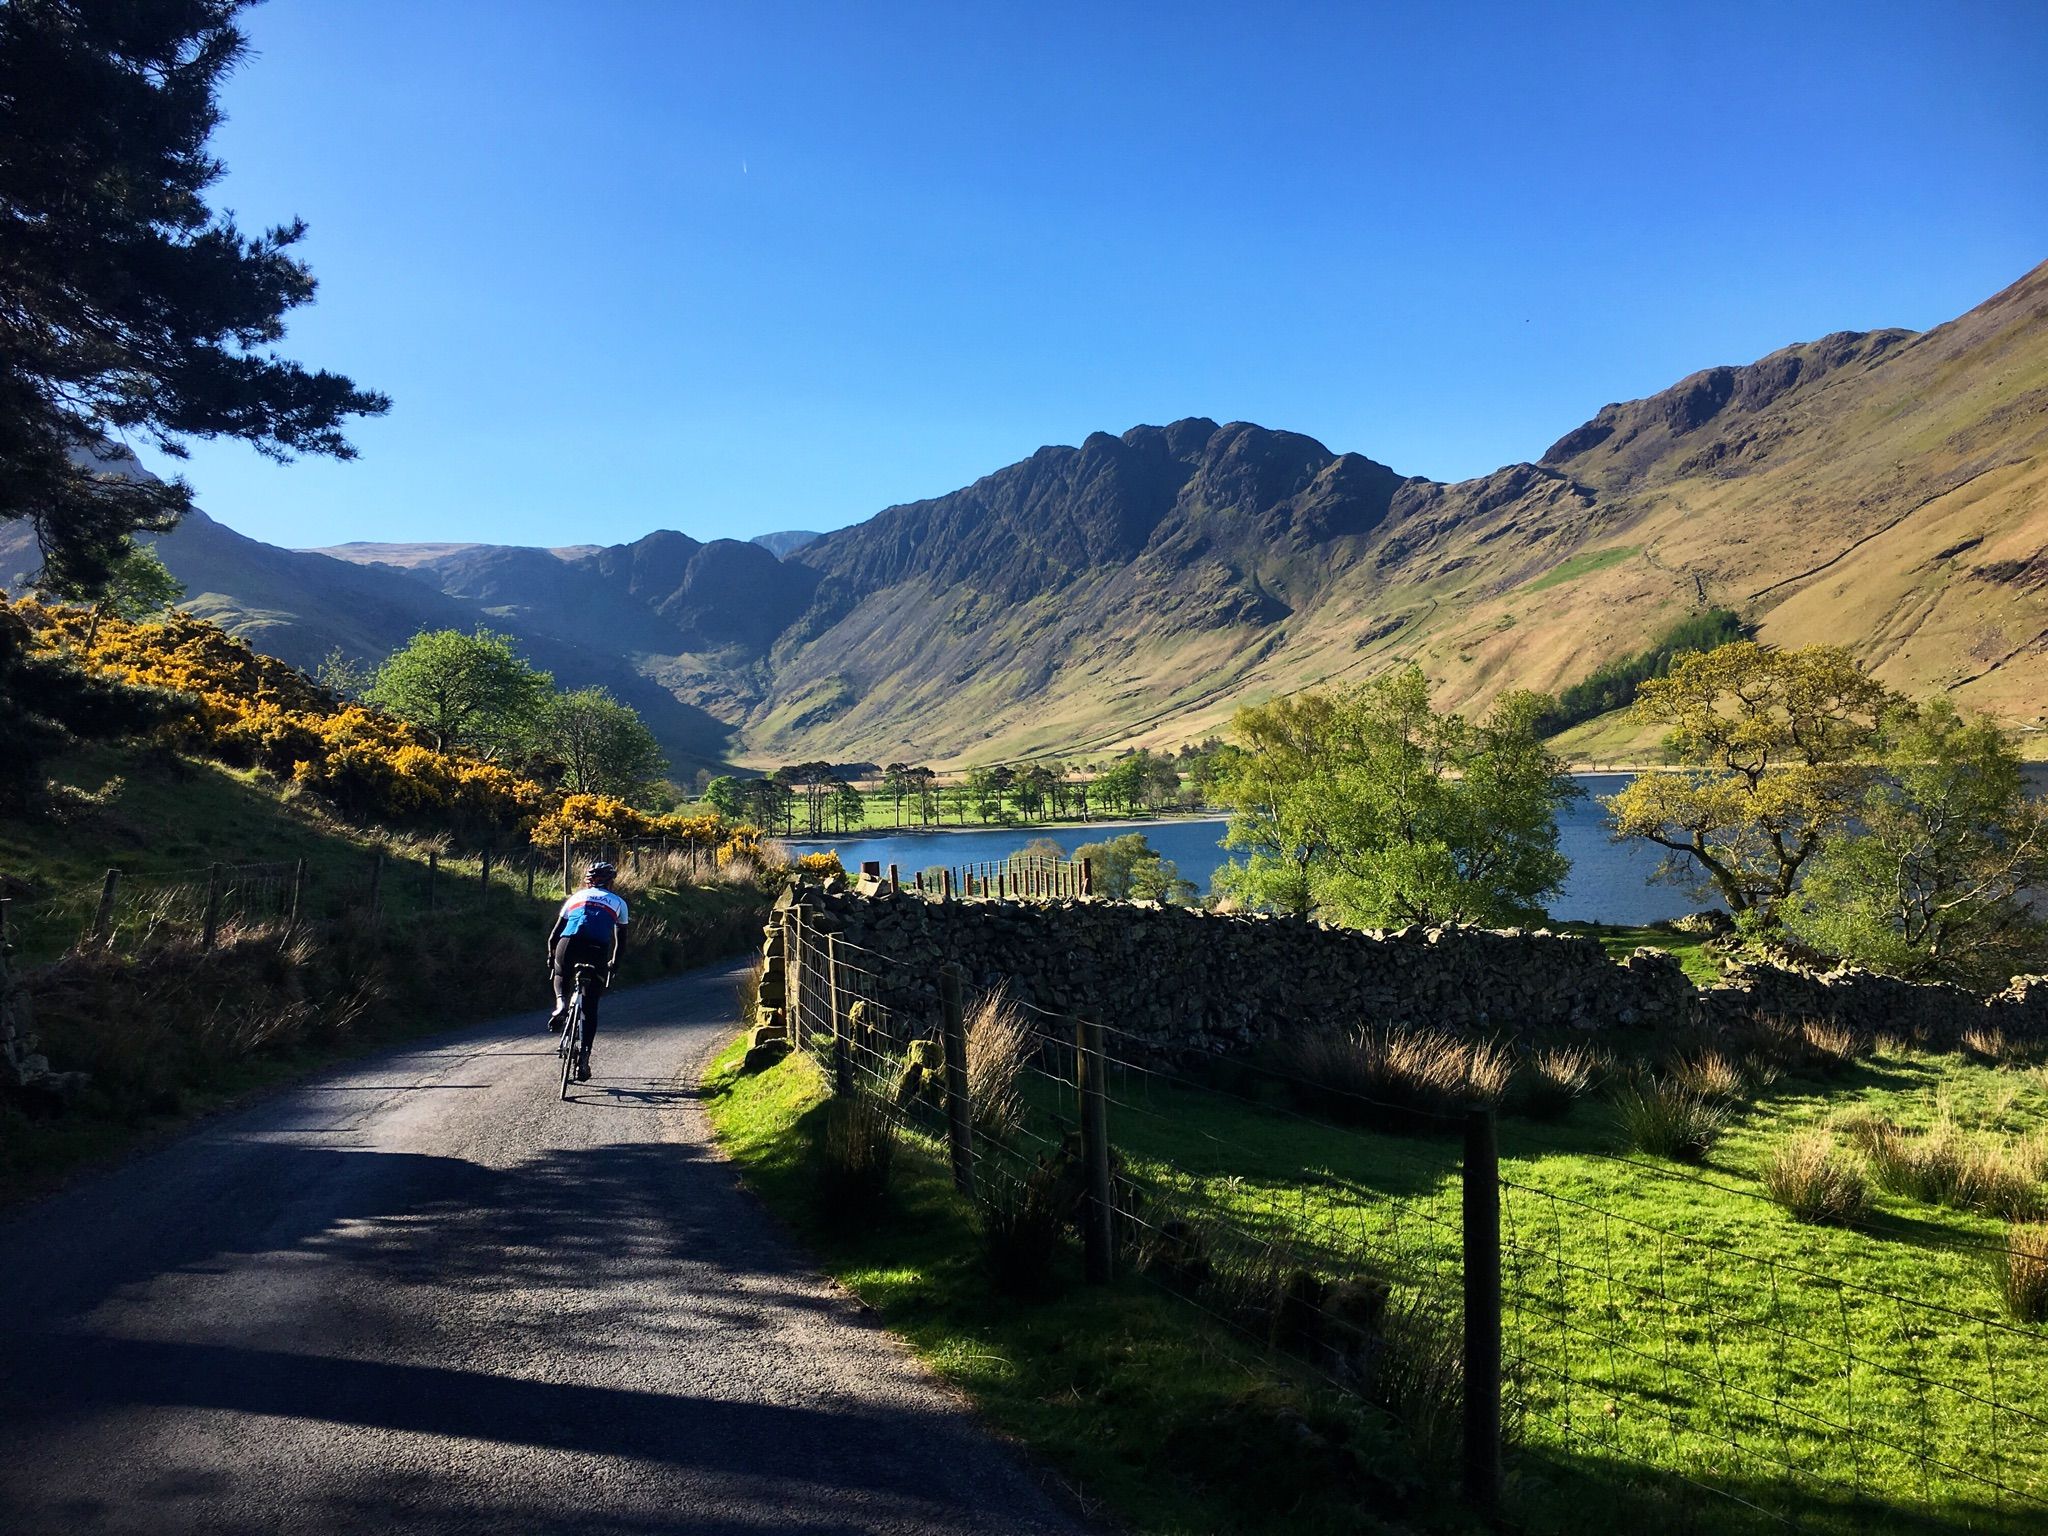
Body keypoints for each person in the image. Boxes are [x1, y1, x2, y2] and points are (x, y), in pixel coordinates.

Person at [547, 861, 628, 1082]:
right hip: (598, 950)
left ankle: (561, 1005)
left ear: (588, 880)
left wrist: (551, 957)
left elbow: (554, 935)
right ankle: (584, 1057)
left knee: (561, 973)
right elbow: (621, 942)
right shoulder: (619, 902)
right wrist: (614, 965)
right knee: (590, 1007)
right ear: (610, 882)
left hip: (569, 942)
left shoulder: (575, 898)